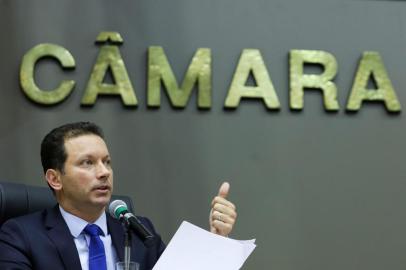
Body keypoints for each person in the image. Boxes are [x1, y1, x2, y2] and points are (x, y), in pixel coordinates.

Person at [0, 122, 237, 270]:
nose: (103, 172)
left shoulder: (138, 231)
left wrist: (215, 242)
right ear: (55, 179)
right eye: (87, 163)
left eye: (107, 162)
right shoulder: (20, 236)